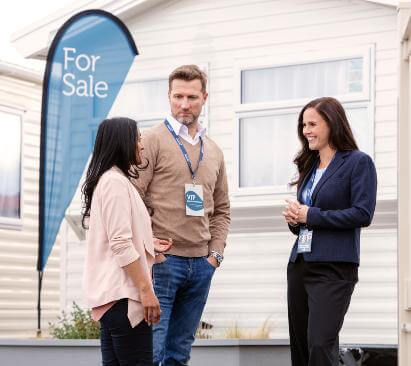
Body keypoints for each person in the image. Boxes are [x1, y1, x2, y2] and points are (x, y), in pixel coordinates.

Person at [134, 65, 231, 366]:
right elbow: (132, 196)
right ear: (168, 96)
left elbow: (222, 209)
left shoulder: (213, 150)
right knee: (151, 353)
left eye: (191, 97)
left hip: (201, 265)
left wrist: (215, 255)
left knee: (179, 355)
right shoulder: (151, 140)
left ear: (204, 97)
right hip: (162, 264)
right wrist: (151, 248)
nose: (184, 104)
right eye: (178, 97)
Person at [282, 97, 377, 366]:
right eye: (303, 125)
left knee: (320, 344)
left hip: (334, 267)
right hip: (300, 264)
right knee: (300, 345)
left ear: (332, 124)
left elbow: (362, 214)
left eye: (312, 124)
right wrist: (295, 219)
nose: (306, 131)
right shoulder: (309, 166)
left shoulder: (358, 163)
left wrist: (311, 214)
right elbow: (307, 218)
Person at [82, 117, 172, 365]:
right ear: (124, 142)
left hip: (114, 302)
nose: (142, 145)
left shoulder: (113, 181)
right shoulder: (114, 183)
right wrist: (146, 291)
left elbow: (116, 235)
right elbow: (120, 243)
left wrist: (149, 243)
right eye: (138, 138)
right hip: (124, 299)